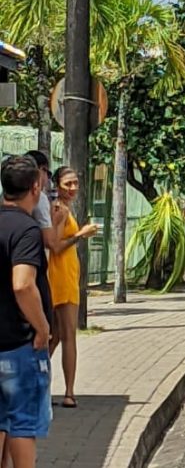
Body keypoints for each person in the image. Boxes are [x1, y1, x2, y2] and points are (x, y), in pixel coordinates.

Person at [0, 155, 53, 468]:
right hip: (19, 345)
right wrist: (43, 327)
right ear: (36, 186)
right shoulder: (27, 230)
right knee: (21, 424)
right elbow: (22, 285)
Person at [48, 166, 99, 409]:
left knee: (56, 336)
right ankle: (69, 392)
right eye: (68, 183)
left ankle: (34, 384)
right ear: (57, 185)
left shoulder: (62, 208)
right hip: (60, 278)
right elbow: (56, 246)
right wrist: (81, 234)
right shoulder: (59, 209)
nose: (73, 188)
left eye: (76, 183)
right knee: (68, 336)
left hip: (66, 276)